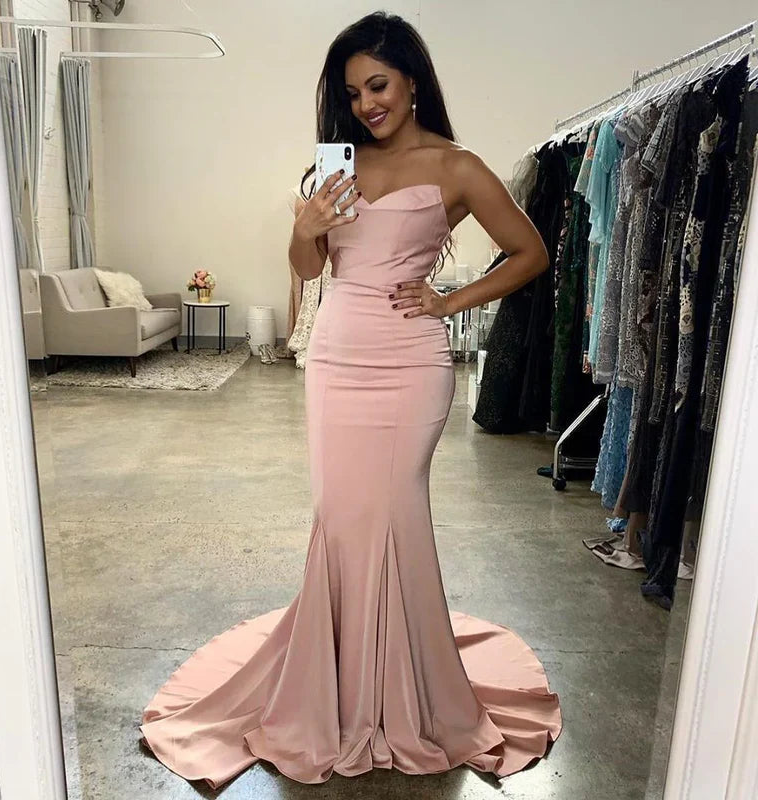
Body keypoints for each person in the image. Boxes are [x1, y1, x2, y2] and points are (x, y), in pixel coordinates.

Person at [139, 11, 562, 788]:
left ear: (411, 81)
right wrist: (305, 226)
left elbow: (529, 251)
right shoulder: (335, 167)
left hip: (411, 363)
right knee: (340, 518)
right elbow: (309, 268)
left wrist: (450, 300)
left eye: (378, 85)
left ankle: (402, 696)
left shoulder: (457, 167)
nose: (367, 104)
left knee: (394, 514)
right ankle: (333, 689)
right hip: (337, 358)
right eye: (354, 92)